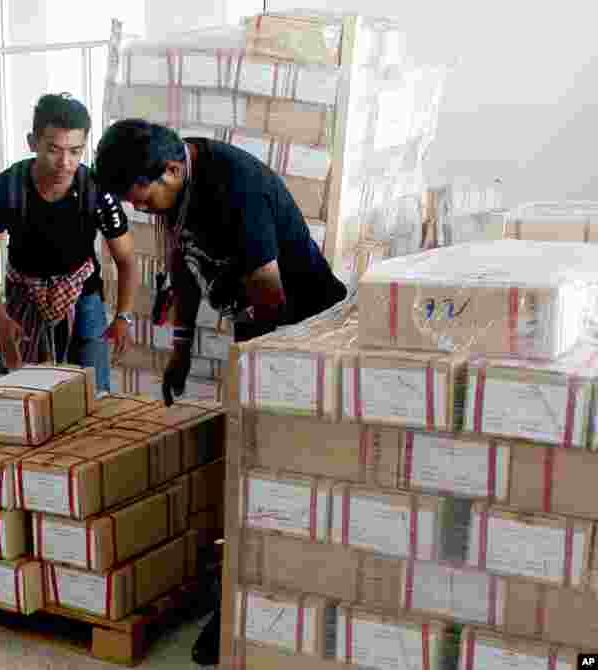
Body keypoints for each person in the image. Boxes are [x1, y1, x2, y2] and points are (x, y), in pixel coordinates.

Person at [93, 118, 347, 666]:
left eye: (145, 199)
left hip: (303, 335)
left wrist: (254, 383)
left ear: (173, 169)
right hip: (262, 328)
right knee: (248, 465)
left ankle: (255, 605)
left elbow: (271, 299)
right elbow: (184, 268)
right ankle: (241, 592)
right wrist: (182, 350)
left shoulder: (236, 191)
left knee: (270, 469)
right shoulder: (176, 186)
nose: (144, 210)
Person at [0, 93, 137, 389]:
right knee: (16, 392)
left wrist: (123, 316)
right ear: (32, 143)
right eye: (53, 150)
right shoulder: (7, 187)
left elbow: (126, 259)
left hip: (83, 294)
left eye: (75, 151)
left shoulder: (96, 189)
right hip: (24, 297)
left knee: (94, 392)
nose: (65, 163)